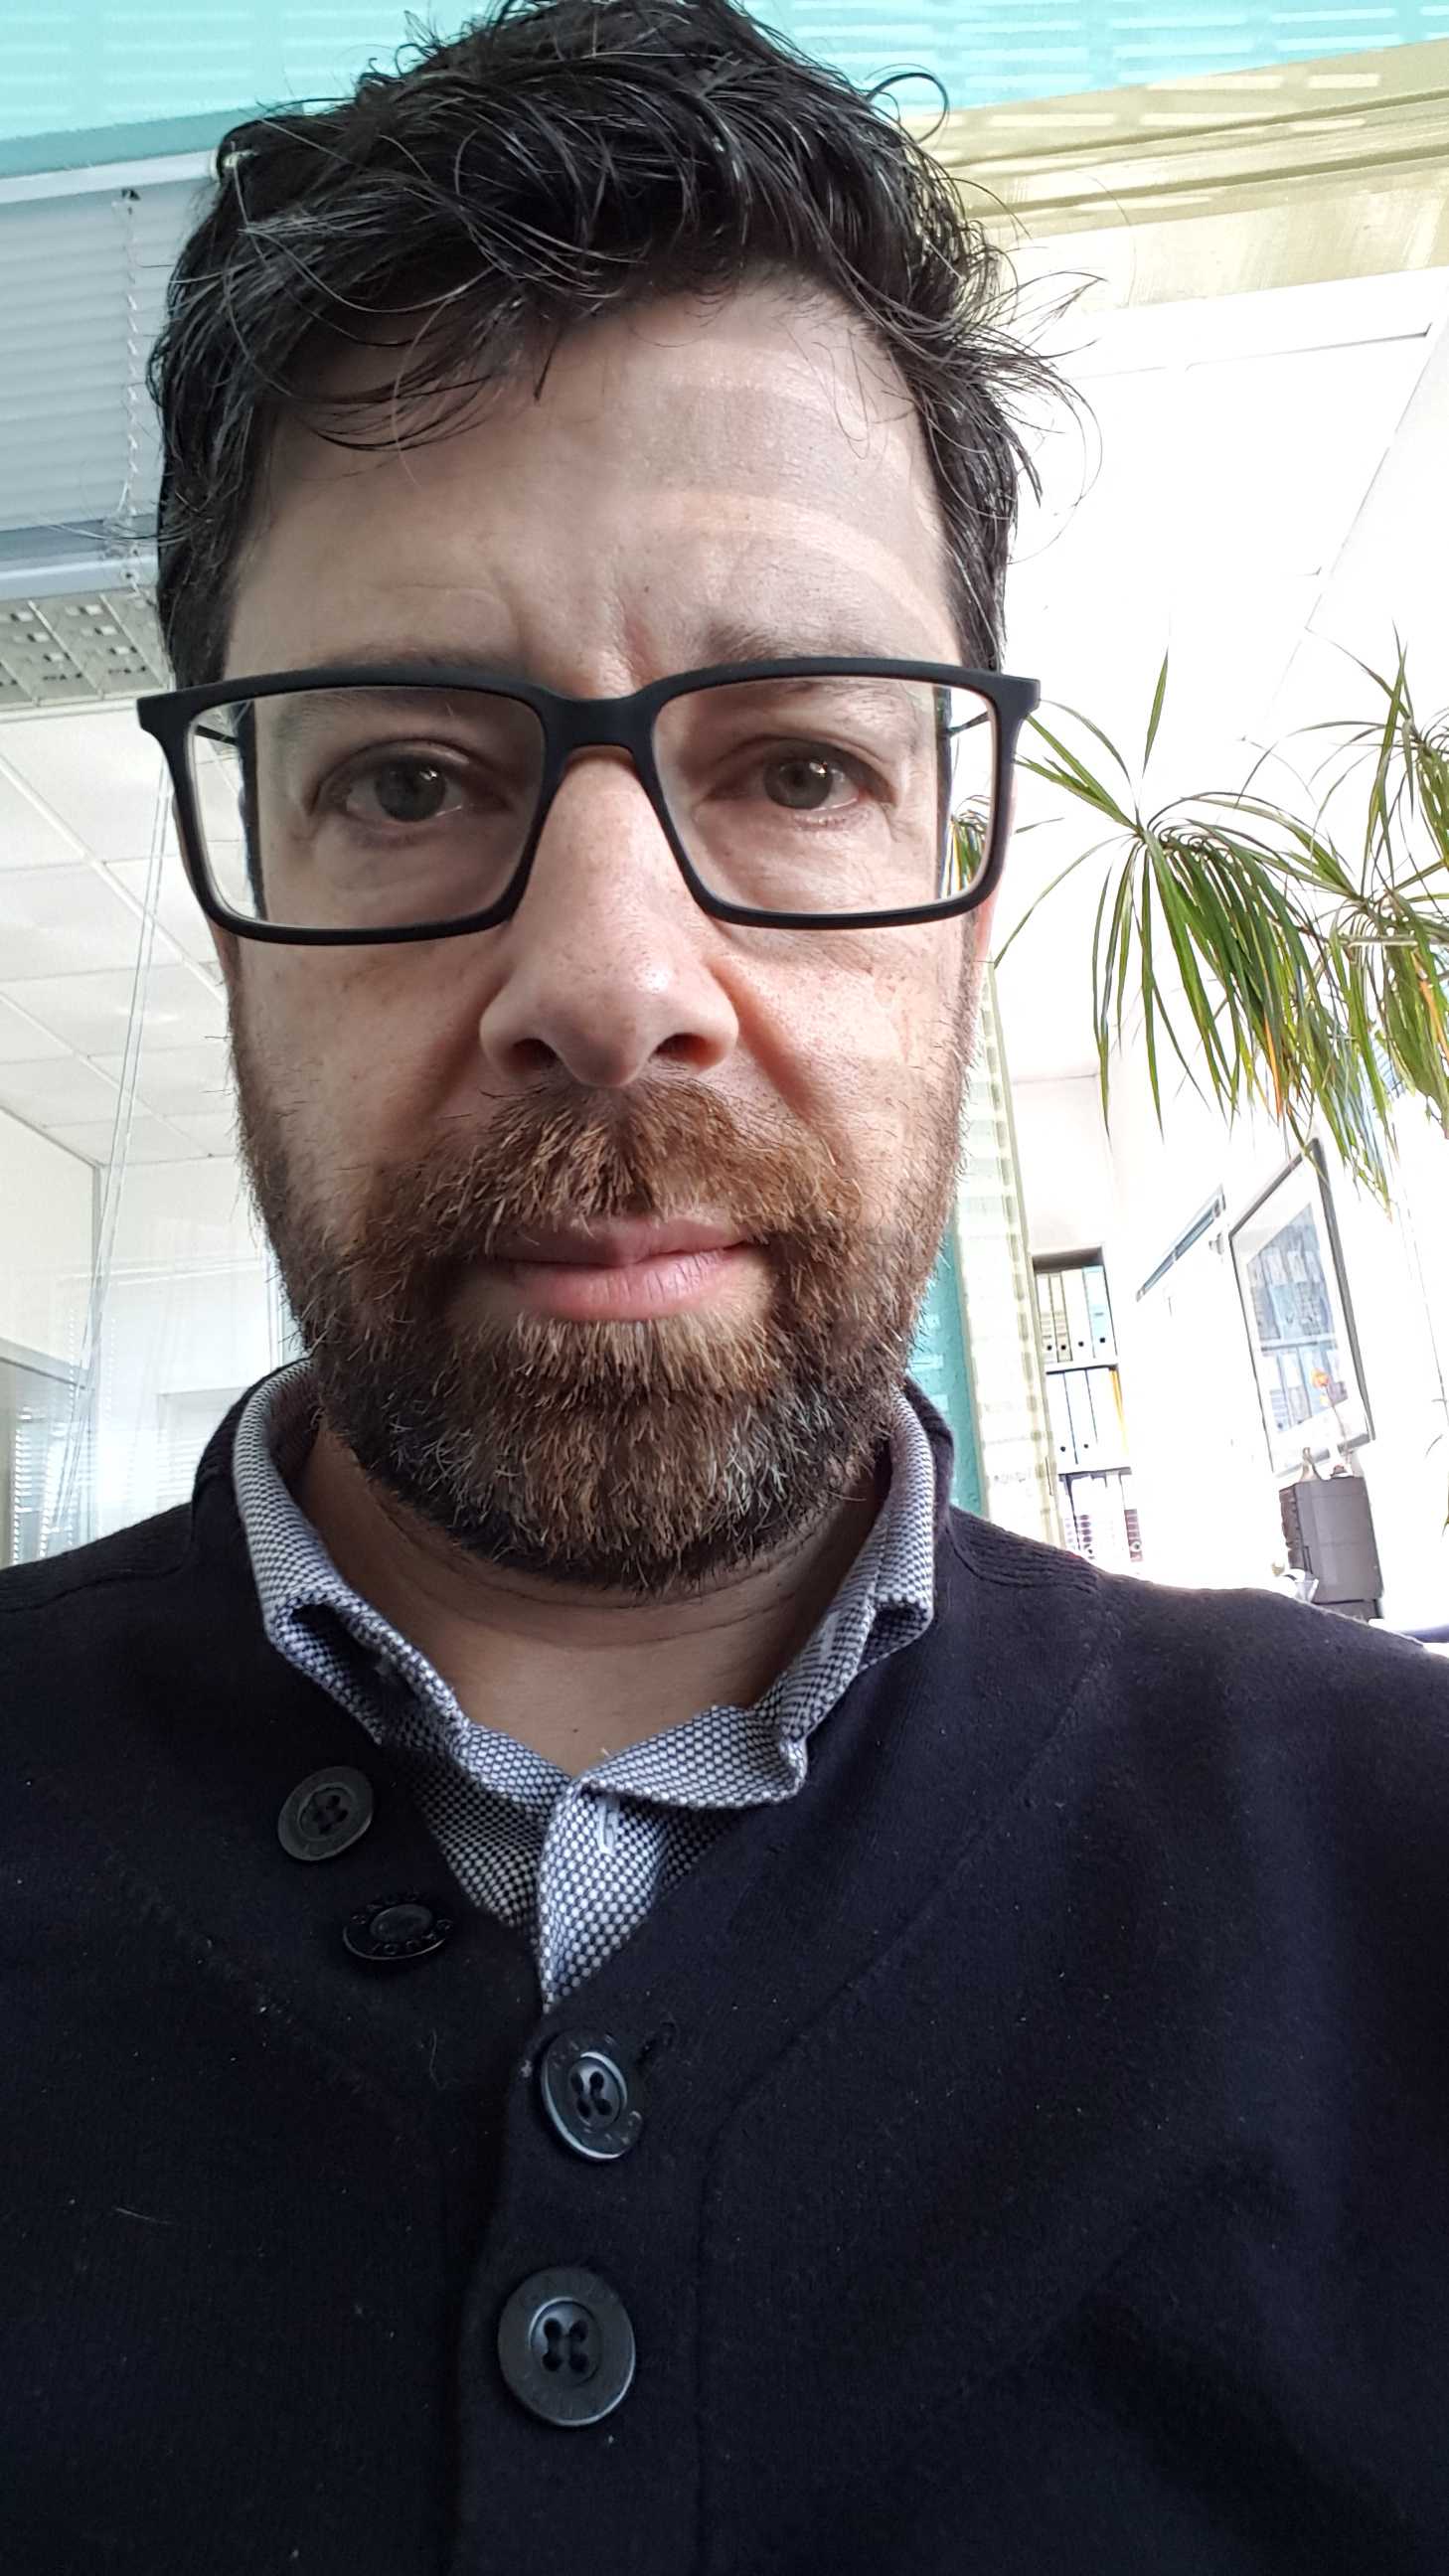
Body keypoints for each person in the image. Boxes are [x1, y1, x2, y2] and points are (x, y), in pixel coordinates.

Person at [3, 2, 1446, 2566]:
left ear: (967, 890)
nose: (610, 977)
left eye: (795, 767)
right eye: (407, 776)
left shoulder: (1400, 1873)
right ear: (236, 904)